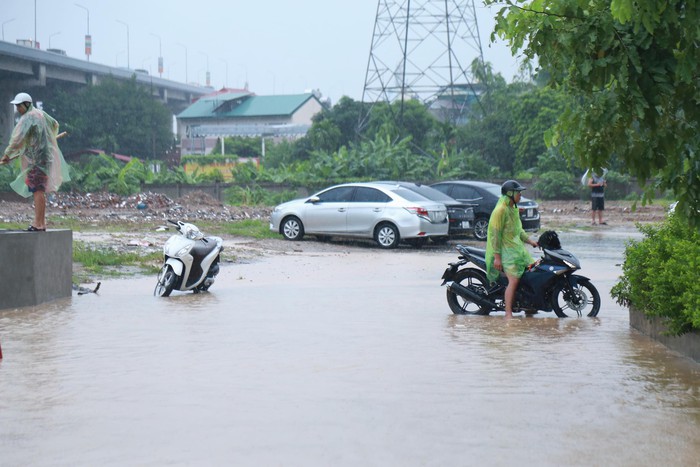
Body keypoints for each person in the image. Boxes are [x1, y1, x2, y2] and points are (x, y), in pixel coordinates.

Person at [0, 92, 70, 231]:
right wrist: (48, 138)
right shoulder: (41, 114)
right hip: (45, 158)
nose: (18, 109)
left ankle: (38, 224)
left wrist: (7, 155)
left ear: (26, 104)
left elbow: (17, 139)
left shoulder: (28, 118)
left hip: (37, 160)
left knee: (37, 190)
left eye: (19, 106)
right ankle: (41, 223)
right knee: (40, 190)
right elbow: (55, 124)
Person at [485, 180, 539, 319]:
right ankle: (508, 313)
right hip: (505, 251)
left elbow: (518, 230)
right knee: (514, 280)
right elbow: (495, 235)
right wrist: (497, 257)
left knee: (532, 271)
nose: (520, 195)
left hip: (517, 249)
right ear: (510, 194)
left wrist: (530, 241)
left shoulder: (513, 209)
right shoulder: (500, 211)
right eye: (518, 192)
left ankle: (529, 307)